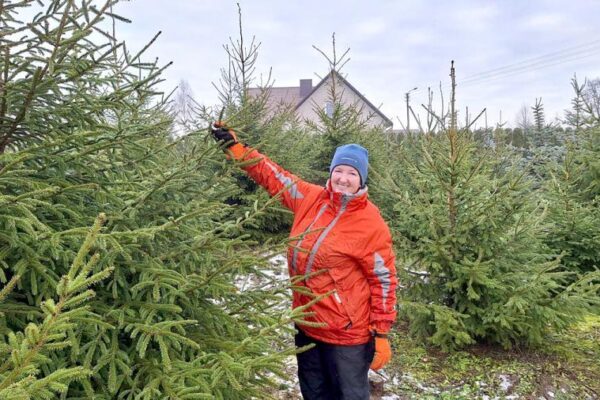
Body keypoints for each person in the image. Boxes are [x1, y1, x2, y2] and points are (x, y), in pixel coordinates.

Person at [211, 122, 397, 400]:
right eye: (339, 171)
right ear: (331, 172)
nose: (343, 178)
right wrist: (237, 150)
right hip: (307, 322)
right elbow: (273, 175)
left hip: (346, 334)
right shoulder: (311, 198)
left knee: (348, 395)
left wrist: (380, 333)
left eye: (351, 173)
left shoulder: (371, 223)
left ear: (362, 179)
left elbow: (383, 280)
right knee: (313, 392)